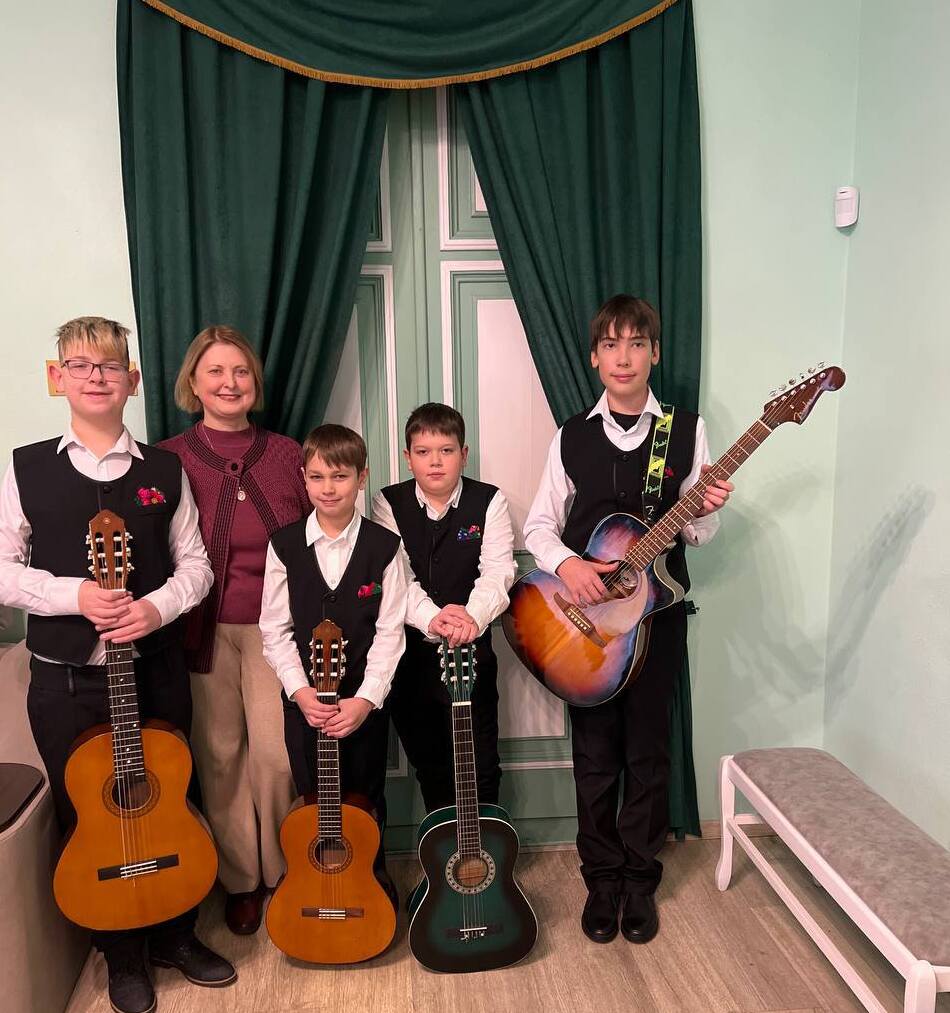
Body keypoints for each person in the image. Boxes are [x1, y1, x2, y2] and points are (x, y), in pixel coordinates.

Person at [0, 317, 234, 1013]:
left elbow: (197, 565)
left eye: (110, 366)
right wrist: (73, 595)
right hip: (67, 680)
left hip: (155, 669)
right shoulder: (25, 467)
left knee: (168, 799)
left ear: (132, 380)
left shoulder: (164, 470)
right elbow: (3, 569)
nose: (96, 376)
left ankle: (176, 933)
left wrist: (156, 608)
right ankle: (121, 953)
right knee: (90, 813)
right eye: (80, 364)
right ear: (56, 378)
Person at [523, 295, 733, 946]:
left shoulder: (685, 430)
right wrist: (568, 566)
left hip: (656, 621)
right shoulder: (571, 436)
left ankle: (639, 881)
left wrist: (705, 509)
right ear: (594, 357)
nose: (624, 357)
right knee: (594, 758)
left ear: (655, 354)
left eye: (637, 343)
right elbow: (537, 527)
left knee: (648, 753)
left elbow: (700, 533)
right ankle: (600, 879)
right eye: (611, 344)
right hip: (585, 624)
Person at [158, 325, 310, 935]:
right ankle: (241, 880)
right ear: (193, 384)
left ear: (256, 383)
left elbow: (322, 536)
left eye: (241, 371)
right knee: (219, 756)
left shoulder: (290, 455)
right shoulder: (166, 458)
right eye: (216, 372)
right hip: (203, 631)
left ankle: (283, 870)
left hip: (279, 631)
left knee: (276, 755)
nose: (229, 383)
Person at [259, 424, 408, 900]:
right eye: (317, 477)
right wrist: (300, 692)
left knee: (367, 799)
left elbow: (390, 632)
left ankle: (371, 882)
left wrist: (366, 700)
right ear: (303, 478)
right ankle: (316, 885)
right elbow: (274, 629)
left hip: (363, 705)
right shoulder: (283, 546)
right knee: (314, 801)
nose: (328, 488)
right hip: (304, 707)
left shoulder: (385, 547)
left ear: (361, 478)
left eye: (340, 477)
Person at [371, 402, 516, 812]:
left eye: (446, 451)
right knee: (431, 766)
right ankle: (445, 847)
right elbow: (397, 579)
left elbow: (498, 572)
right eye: (423, 452)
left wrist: (469, 618)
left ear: (463, 454)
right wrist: (434, 619)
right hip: (411, 657)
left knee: (481, 766)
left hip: (473, 652)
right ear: (408, 457)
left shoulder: (489, 500)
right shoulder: (388, 503)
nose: (435, 461)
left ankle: (484, 847)